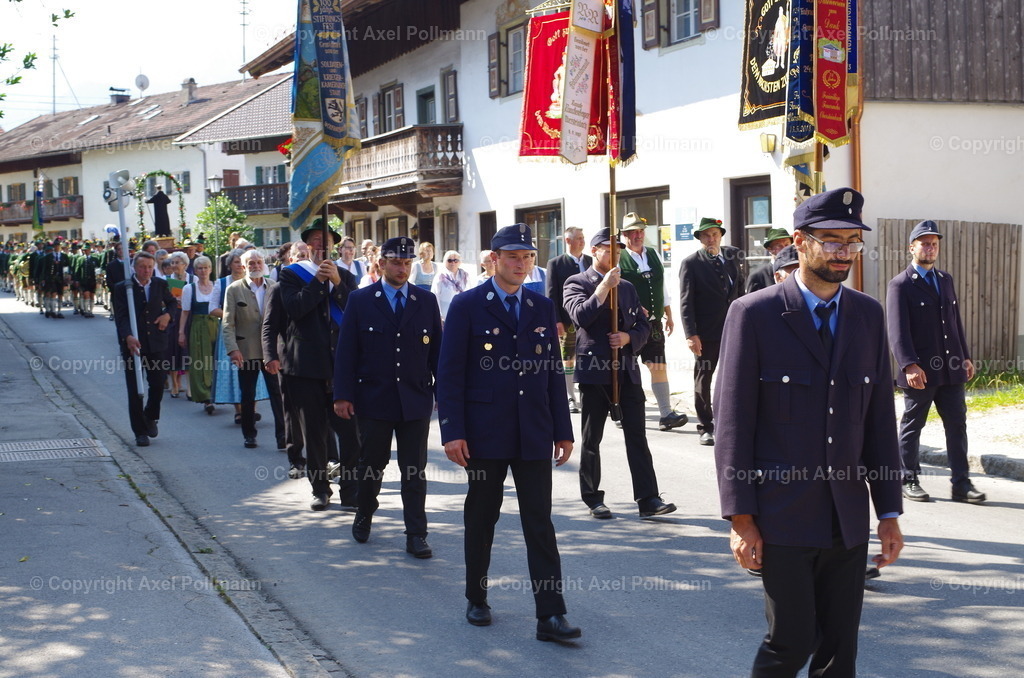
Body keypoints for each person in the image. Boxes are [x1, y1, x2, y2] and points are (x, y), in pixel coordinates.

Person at [714, 187, 904, 677]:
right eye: (832, 241)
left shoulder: (867, 314)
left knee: (841, 652)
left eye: (852, 243)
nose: (844, 253)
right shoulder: (754, 314)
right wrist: (741, 518)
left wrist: (887, 511)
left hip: (846, 516)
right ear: (800, 241)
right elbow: (734, 423)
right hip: (780, 517)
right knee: (791, 642)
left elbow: (879, 422)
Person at [438, 223, 580, 642]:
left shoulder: (541, 306)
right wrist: (453, 431)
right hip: (484, 434)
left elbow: (553, 372)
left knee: (540, 522)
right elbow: (449, 375)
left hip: (533, 431)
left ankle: (550, 615)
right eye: (514, 257)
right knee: (482, 517)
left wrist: (562, 428)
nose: (522, 264)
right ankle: (476, 597)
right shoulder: (467, 306)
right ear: (494, 259)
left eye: (528, 257)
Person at [333, 236, 442, 559]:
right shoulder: (361, 300)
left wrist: (445, 395)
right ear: (381, 263)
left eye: (407, 263)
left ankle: (416, 533)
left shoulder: (425, 301)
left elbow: (438, 354)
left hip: (415, 399)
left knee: (414, 471)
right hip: (374, 399)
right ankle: (365, 512)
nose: (402, 268)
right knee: (372, 466)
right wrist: (343, 395)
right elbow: (346, 353)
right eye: (396, 262)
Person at [564, 228, 677, 521]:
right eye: (607, 249)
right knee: (592, 439)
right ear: (594, 250)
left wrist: (628, 338)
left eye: (617, 249)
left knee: (637, 436)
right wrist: (603, 288)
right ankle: (593, 498)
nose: (613, 254)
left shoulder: (626, 287)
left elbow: (643, 324)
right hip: (595, 373)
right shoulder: (576, 282)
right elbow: (580, 317)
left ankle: (648, 498)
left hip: (626, 370)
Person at [886, 220, 985, 504]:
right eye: (924, 243)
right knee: (913, 425)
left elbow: (954, 323)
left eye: (934, 244)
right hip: (921, 371)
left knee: (957, 425)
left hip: (952, 369)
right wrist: (909, 365)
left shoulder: (945, 280)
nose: (930, 248)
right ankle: (908, 479)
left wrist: (965, 356)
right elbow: (897, 330)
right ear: (911, 248)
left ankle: (961, 484)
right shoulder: (901, 284)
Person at [277, 220, 360, 511]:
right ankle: (320, 489)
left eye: (325, 241)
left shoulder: (347, 276)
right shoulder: (290, 275)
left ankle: (351, 490)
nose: (320, 245)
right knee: (314, 433)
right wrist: (318, 283)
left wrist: (336, 282)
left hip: (341, 368)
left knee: (351, 435)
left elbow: (356, 312)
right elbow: (295, 309)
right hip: (306, 367)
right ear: (307, 244)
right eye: (314, 240)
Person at [619, 212, 688, 431]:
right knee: (626, 369)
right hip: (629, 324)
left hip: (654, 322)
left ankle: (666, 413)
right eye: (633, 232)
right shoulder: (618, 257)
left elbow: (662, 286)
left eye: (640, 231)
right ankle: (622, 411)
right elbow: (615, 289)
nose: (638, 235)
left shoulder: (653, 253)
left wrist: (668, 313)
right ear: (625, 235)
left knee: (658, 366)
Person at [678, 217, 745, 446]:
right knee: (703, 379)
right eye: (706, 235)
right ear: (699, 238)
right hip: (706, 333)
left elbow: (741, 291)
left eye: (715, 234)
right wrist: (691, 334)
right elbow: (686, 302)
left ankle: (731, 422)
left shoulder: (732, 257)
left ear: (720, 235)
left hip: (734, 328)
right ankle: (705, 426)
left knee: (735, 377)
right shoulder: (691, 263)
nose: (711, 239)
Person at [113, 252, 178, 447]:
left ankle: (150, 415)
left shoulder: (159, 284)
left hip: (156, 342)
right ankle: (140, 431)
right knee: (135, 389)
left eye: (150, 267)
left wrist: (168, 316)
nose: (147, 271)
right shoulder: (123, 288)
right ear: (135, 268)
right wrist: (128, 337)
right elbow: (121, 316)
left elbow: (173, 303)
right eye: (143, 267)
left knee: (157, 383)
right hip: (134, 343)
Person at [224, 250, 285, 449]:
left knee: (277, 394)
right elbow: (227, 323)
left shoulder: (275, 287)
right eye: (251, 263)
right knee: (247, 394)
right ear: (243, 266)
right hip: (246, 350)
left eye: (259, 262)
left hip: (271, 352)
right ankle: (249, 434)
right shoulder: (234, 289)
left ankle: (283, 436)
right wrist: (233, 349)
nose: (256, 266)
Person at [262, 244, 306, 478]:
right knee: (291, 410)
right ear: (289, 260)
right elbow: (269, 325)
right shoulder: (278, 289)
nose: (303, 259)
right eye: (298, 256)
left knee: (322, 413)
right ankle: (296, 459)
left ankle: (330, 458)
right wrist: (270, 356)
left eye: (306, 255)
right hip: (288, 359)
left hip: (315, 360)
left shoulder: (318, 287)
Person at [546, 226, 592, 414]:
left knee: (588, 356)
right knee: (568, 358)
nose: (582, 241)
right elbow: (551, 294)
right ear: (568, 241)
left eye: (583, 238)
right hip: (566, 320)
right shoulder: (556, 263)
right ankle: (569, 396)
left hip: (589, 318)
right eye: (578, 238)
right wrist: (556, 320)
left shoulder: (590, 261)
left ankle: (588, 394)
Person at [179, 255, 220, 414]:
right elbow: (185, 312)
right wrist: (181, 332)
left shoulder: (217, 286)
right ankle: (205, 397)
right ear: (195, 270)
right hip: (198, 327)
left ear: (210, 269)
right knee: (200, 361)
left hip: (215, 325)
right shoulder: (189, 288)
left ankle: (216, 393)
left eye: (206, 267)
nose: (203, 271)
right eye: (200, 268)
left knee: (216, 359)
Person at [746, 228, 795, 294]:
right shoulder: (758, 276)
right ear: (770, 250)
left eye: (787, 245)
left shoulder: (798, 270)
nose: (784, 249)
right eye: (779, 246)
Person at [431, 249, 469, 321]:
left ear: (459, 262)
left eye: (455, 260)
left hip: (463, 313)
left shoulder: (465, 275)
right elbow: (435, 296)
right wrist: (439, 315)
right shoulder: (440, 276)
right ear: (445, 262)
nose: (453, 263)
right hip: (445, 315)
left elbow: (470, 293)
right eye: (449, 260)